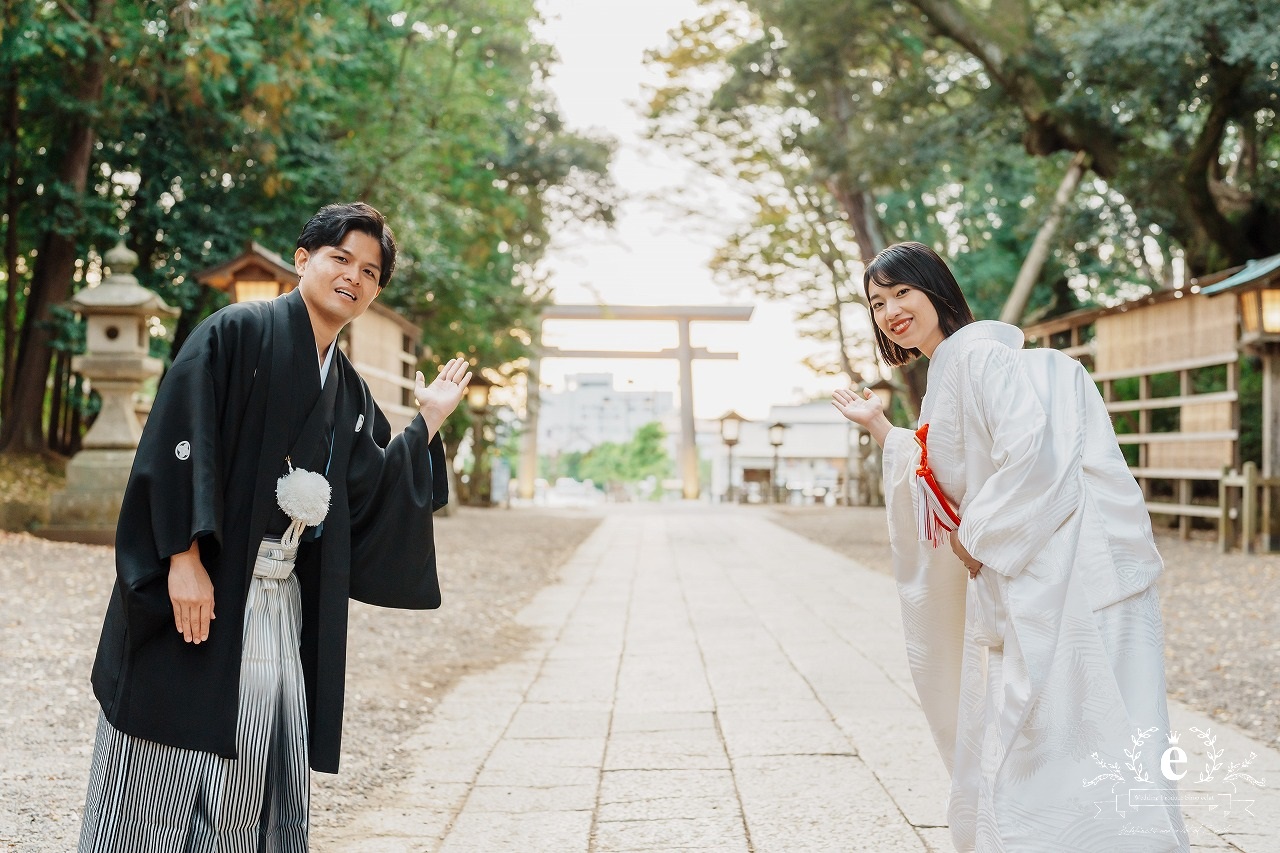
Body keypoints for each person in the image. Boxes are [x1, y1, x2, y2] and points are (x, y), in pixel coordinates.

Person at [79, 202, 472, 852]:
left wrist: (426, 421)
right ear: (303, 259)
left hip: (276, 603)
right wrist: (181, 556)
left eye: (370, 271)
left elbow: (369, 486)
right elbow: (177, 436)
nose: (354, 277)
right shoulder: (236, 332)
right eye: (341, 257)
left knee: (253, 767)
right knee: (162, 763)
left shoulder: (344, 388)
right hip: (202, 587)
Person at [833, 242, 1189, 852]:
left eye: (901, 292)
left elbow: (1032, 455)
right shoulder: (953, 368)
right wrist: (880, 428)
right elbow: (938, 475)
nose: (891, 309)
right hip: (1046, 566)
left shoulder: (976, 360)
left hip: (1060, 571)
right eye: (878, 302)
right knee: (1070, 729)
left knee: (1060, 727)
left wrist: (979, 538)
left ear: (935, 291)